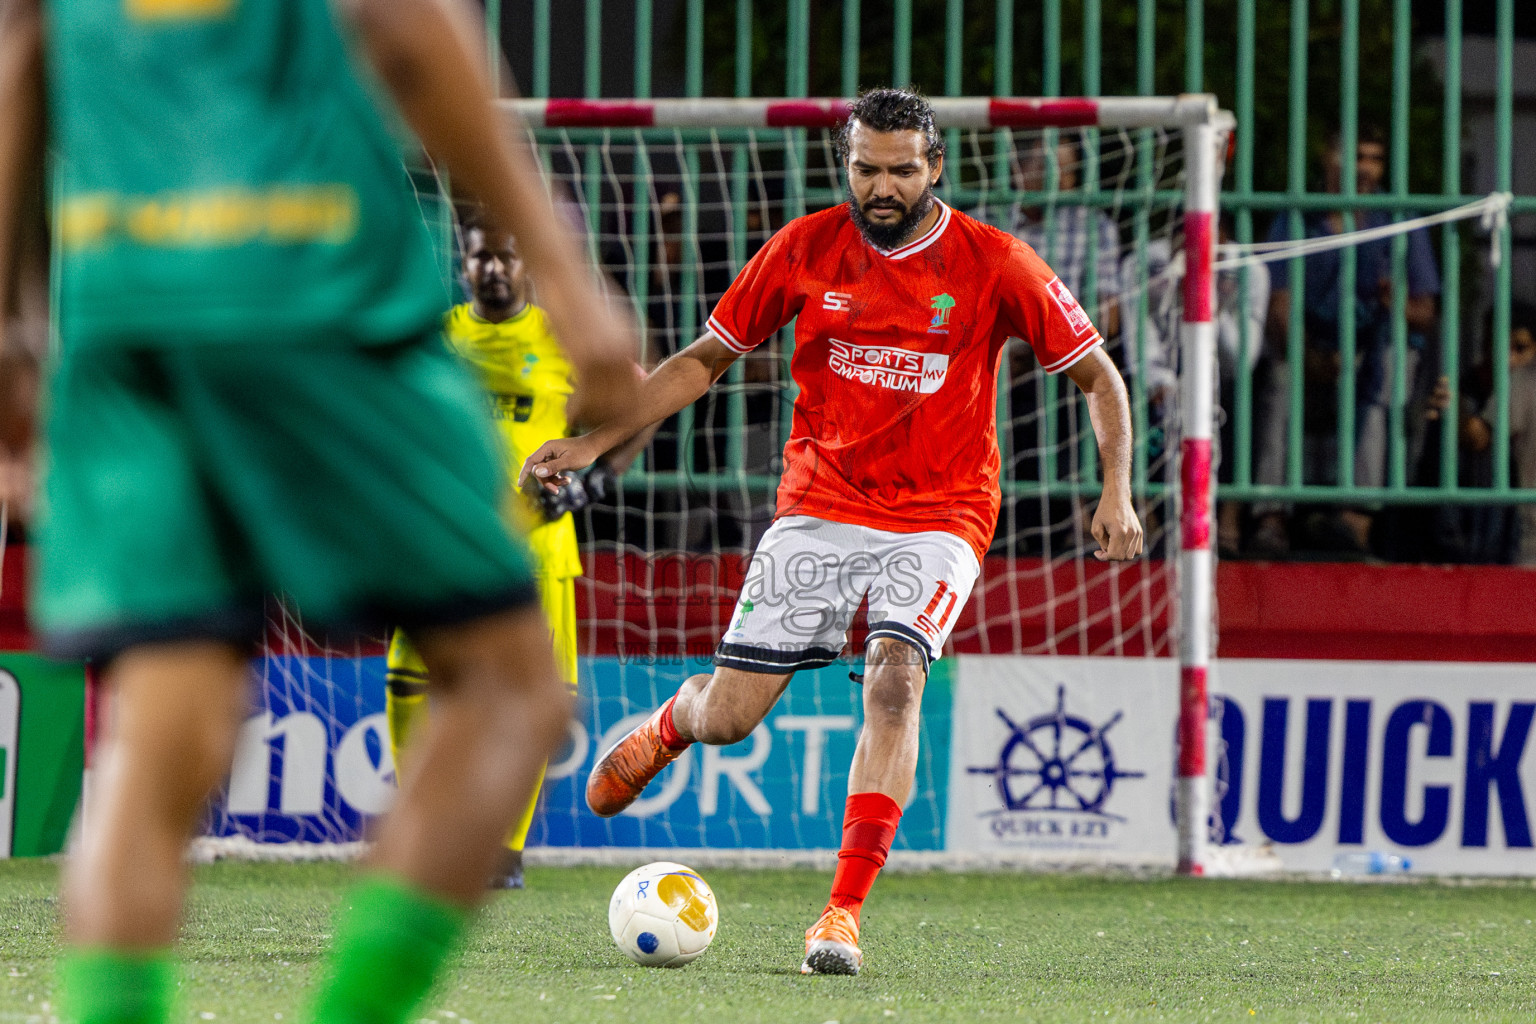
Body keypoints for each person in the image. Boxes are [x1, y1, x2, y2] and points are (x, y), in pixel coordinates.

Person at [0, 3, 638, 1024]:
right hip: (315, 289)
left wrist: (12, 328)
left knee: (162, 725)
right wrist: (566, 274)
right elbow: (403, 25)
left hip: (125, 312)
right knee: (511, 686)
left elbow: (22, 50)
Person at [521, 88, 1143, 976]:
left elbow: (1101, 379)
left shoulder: (996, 262)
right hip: (819, 505)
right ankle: (670, 723)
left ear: (935, 168)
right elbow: (704, 361)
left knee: (895, 680)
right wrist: (593, 440)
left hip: (942, 513)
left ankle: (840, 914)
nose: (880, 187)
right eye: (864, 169)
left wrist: (1115, 491)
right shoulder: (805, 247)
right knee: (731, 720)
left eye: (899, 170)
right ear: (844, 165)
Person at [385, 215, 646, 890]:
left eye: (504, 256)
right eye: (480, 259)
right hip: (446, 535)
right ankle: (425, 823)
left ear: (524, 263)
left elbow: (641, 403)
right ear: (464, 266)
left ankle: (505, 848)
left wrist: (595, 482)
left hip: (540, 543)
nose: (493, 269)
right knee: (408, 679)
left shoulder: (561, 335)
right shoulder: (439, 336)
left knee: (534, 694)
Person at [1258, 126, 1440, 555]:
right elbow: (1277, 304)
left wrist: (1397, 304)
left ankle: (1354, 522)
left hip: (1372, 347)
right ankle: (1270, 519)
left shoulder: (1399, 218)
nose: (1366, 169)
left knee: (1388, 368)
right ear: (1328, 157)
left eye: (1375, 158)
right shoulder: (1297, 215)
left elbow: (1425, 313)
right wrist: (1306, 355)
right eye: (1356, 156)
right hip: (1306, 345)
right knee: (1279, 377)